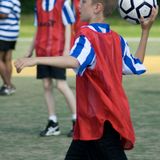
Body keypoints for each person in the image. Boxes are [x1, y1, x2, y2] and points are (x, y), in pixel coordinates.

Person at [15, 0, 158, 159]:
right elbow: (136, 64)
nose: (78, 5)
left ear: (97, 7)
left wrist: (36, 60)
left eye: (84, 2)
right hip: (94, 124)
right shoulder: (118, 39)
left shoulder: (86, 35)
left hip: (101, 122)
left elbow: (74, 60)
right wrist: (145, 31)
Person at [23, 0, 76, 137]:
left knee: (61, 85)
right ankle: (53, 123)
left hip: (57, 52)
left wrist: (66, 49)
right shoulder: (38, 4)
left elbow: (69, 26)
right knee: (46, 85)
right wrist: (30, 50)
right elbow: (38, 29)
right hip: (41, 52)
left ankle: (77, 120)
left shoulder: (63, 3)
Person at [0, 0, 21, 95]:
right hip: (12, 33)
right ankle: (7, 86)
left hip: (3, 33)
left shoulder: (7, 0)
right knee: (7, 60)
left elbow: (3, 15)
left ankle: (8, 85)